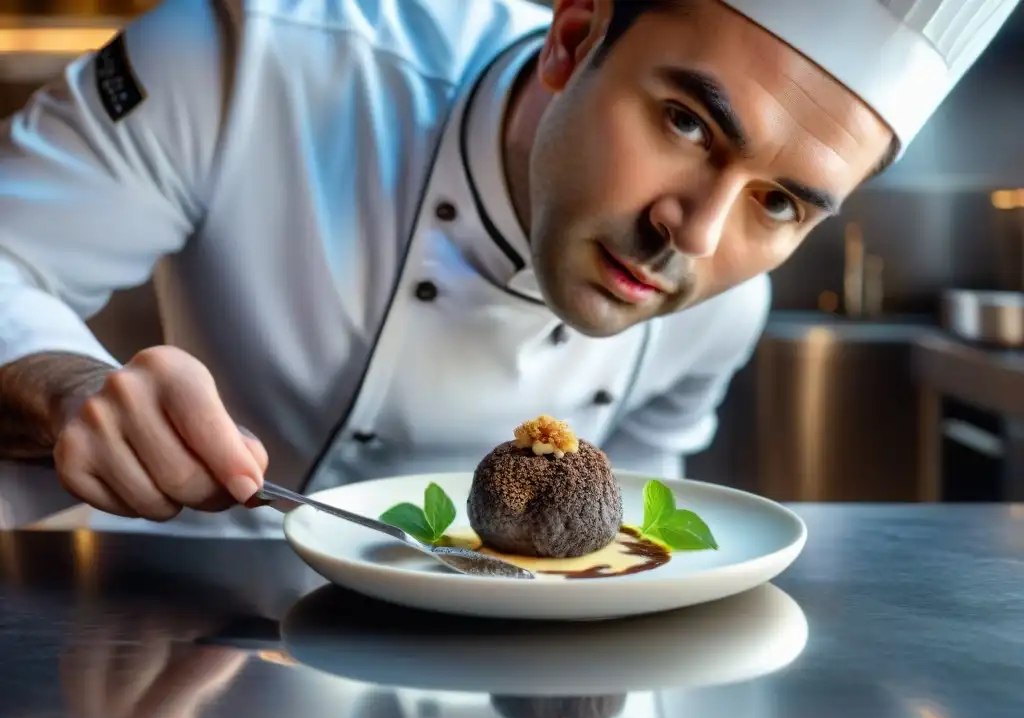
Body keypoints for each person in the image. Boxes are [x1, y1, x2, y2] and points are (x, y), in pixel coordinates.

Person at [0, 0, 1017, 535]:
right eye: (684, 122)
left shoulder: (718, 307)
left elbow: (623, 551)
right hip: (188, 652)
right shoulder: (248, 58)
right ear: (572, 38)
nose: (697, 235)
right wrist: (68, 386)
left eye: (780, 201)